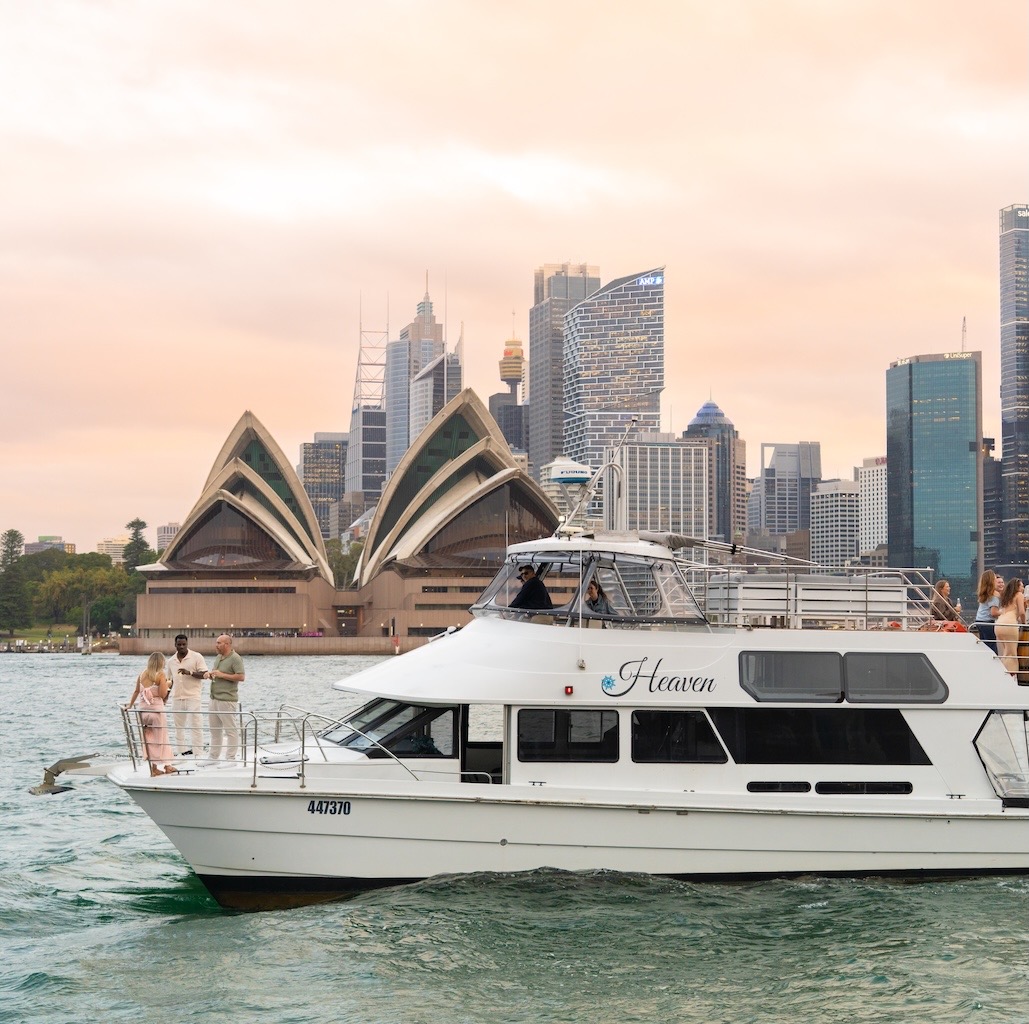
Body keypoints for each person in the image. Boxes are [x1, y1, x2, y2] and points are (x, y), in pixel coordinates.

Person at [126, 652, 177, 776]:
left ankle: (153, 768)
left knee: (149, 739)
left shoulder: (142, 674)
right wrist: (168, 683)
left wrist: (130, 705)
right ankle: (167, 765)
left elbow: (136, 691)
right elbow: (162, 694)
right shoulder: (160, 675)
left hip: (143, 713)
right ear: (161, 663)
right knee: (162, 739)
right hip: (156, 712)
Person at [204, 634, 246, 760]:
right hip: (214, 698)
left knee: (230, 730)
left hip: (227, 699)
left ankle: (230, 758)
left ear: (227, 644)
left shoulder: (235, 658)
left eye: (219, 643)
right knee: (215, 731)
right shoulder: (218, 657)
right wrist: (210, 674)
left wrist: (222, 675)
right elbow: (216, 672)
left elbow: (241, 676)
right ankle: (213, 756)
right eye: (216, 643)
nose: (216, 645)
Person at [168, 633, 208, 756]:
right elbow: (169, 681)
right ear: (175, 645)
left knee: (196, 726)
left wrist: (189, 672)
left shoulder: (196, 657)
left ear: (187, 644)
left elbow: (205, 675)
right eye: (179, 644)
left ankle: (198, 754)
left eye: (183, 644)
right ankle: (182, 753)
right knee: (178, 728)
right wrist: (164, 697)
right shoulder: (170, 661)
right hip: (177, 698)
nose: (181, 647)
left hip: (193, 697)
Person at [994, 578, 1026, 677]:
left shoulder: (1006, 596)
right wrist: (1024, 623)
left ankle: (1001, 673)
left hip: (999, 623)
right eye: (1021, 586)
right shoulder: (1019, 595)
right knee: (1011, 653)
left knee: (1005, 652)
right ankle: (1010, 676)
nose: (1023, 588)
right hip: (1010, 624)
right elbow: (1021, 612)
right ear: (1017, 587)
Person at [975, 570, 1002, 653]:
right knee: (991, 647)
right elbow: (993, 612)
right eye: (995, 579)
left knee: (984, 646)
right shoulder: (994, 595)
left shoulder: (984, 594)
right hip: (988, 623)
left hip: (979, 621)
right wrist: (1004, 611)